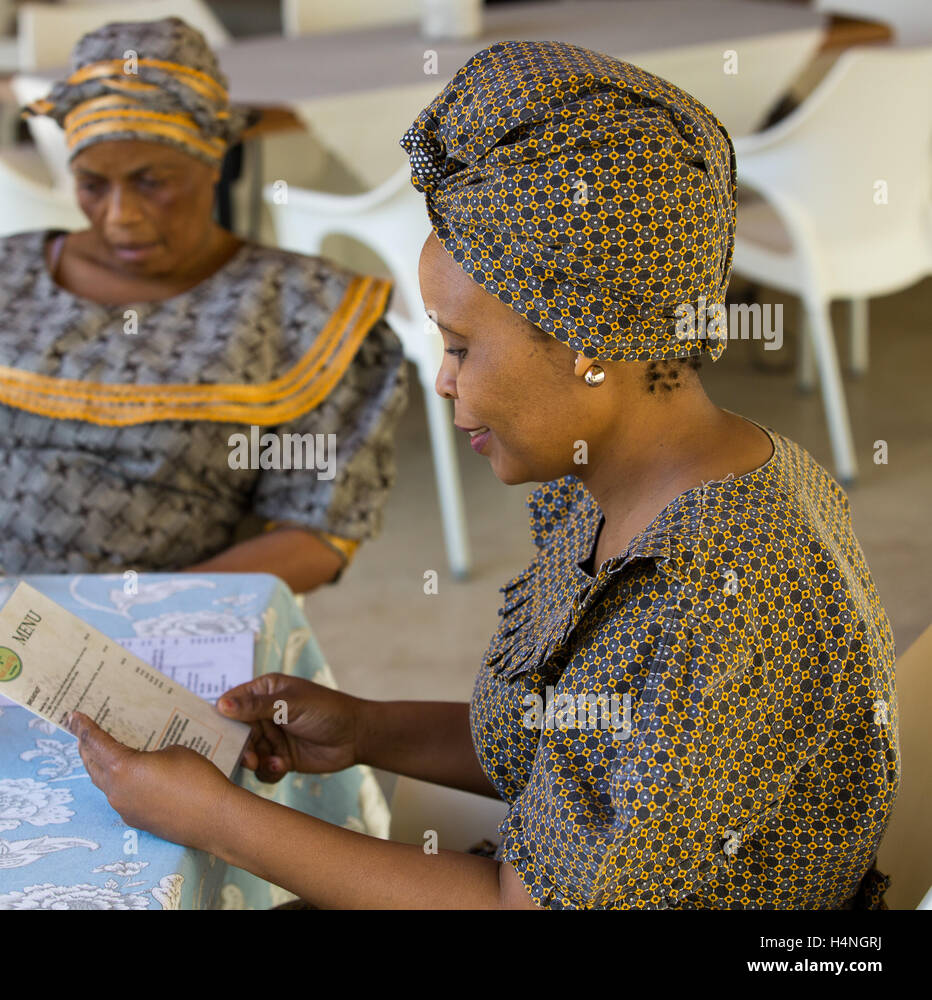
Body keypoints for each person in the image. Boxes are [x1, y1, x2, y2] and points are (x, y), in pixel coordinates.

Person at [65, 40, 899, 909]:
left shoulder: (717, 596)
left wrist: (214, 819)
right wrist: (366, 729)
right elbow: (583, 759)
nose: (443, 377)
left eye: (460, 346)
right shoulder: (618, 489)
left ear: (589, 342)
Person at [0, 17, 408, 594]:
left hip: (152, 634)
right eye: (92, 185)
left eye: (152, 181)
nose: (120, 216)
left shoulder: (299, 312)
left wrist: (139, 614)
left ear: (214, 164)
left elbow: (319, 534)